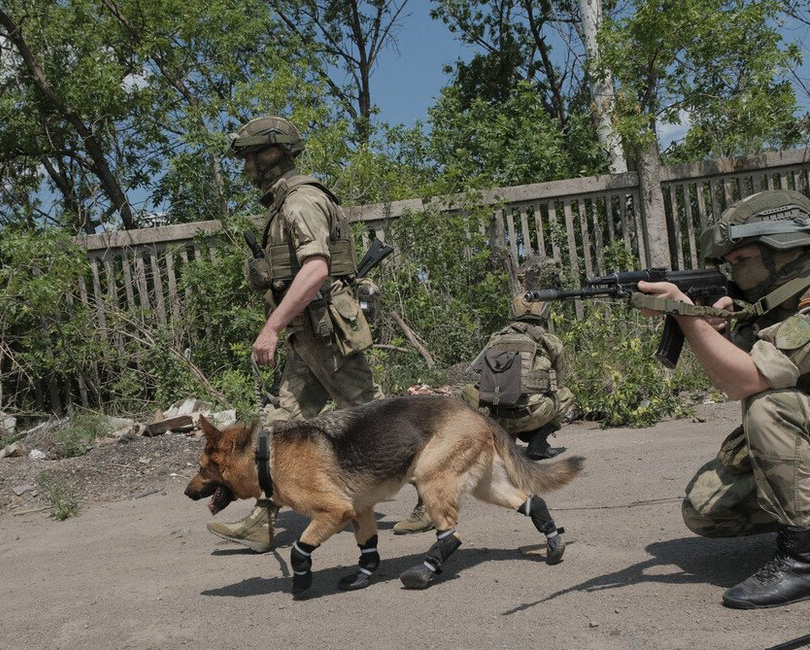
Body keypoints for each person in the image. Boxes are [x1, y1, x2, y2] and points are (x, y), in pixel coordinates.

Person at [637, 189, 810, 609]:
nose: (734, 271)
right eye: (728, 263)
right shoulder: (772, 305)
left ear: (788, 250)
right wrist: (723, 325)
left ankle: (807, 559)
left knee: (772, 407)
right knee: (705, 509)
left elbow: (744, 381)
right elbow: (741, 361)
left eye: (743, 259)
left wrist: (685, 314)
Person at [206, 115, 384, 553]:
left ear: (272, 154)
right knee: (277, 427)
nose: (246, 167)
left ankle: (429, 495)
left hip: (326, 335)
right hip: (307, 339)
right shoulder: (286, 203)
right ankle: (262, 521)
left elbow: (317, 268)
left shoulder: (300, 203)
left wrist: (271, 327)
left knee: (375, 423)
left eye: (249, 156)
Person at [394, 280, 574, 535]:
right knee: (565, 394)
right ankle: (538, 441)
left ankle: (431, 505)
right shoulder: (549, 341)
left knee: (470, 398)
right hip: (532, 415)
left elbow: (477, 374)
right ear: (543, 312)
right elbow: (558, 376)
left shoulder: (496, 338)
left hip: (497, 419)